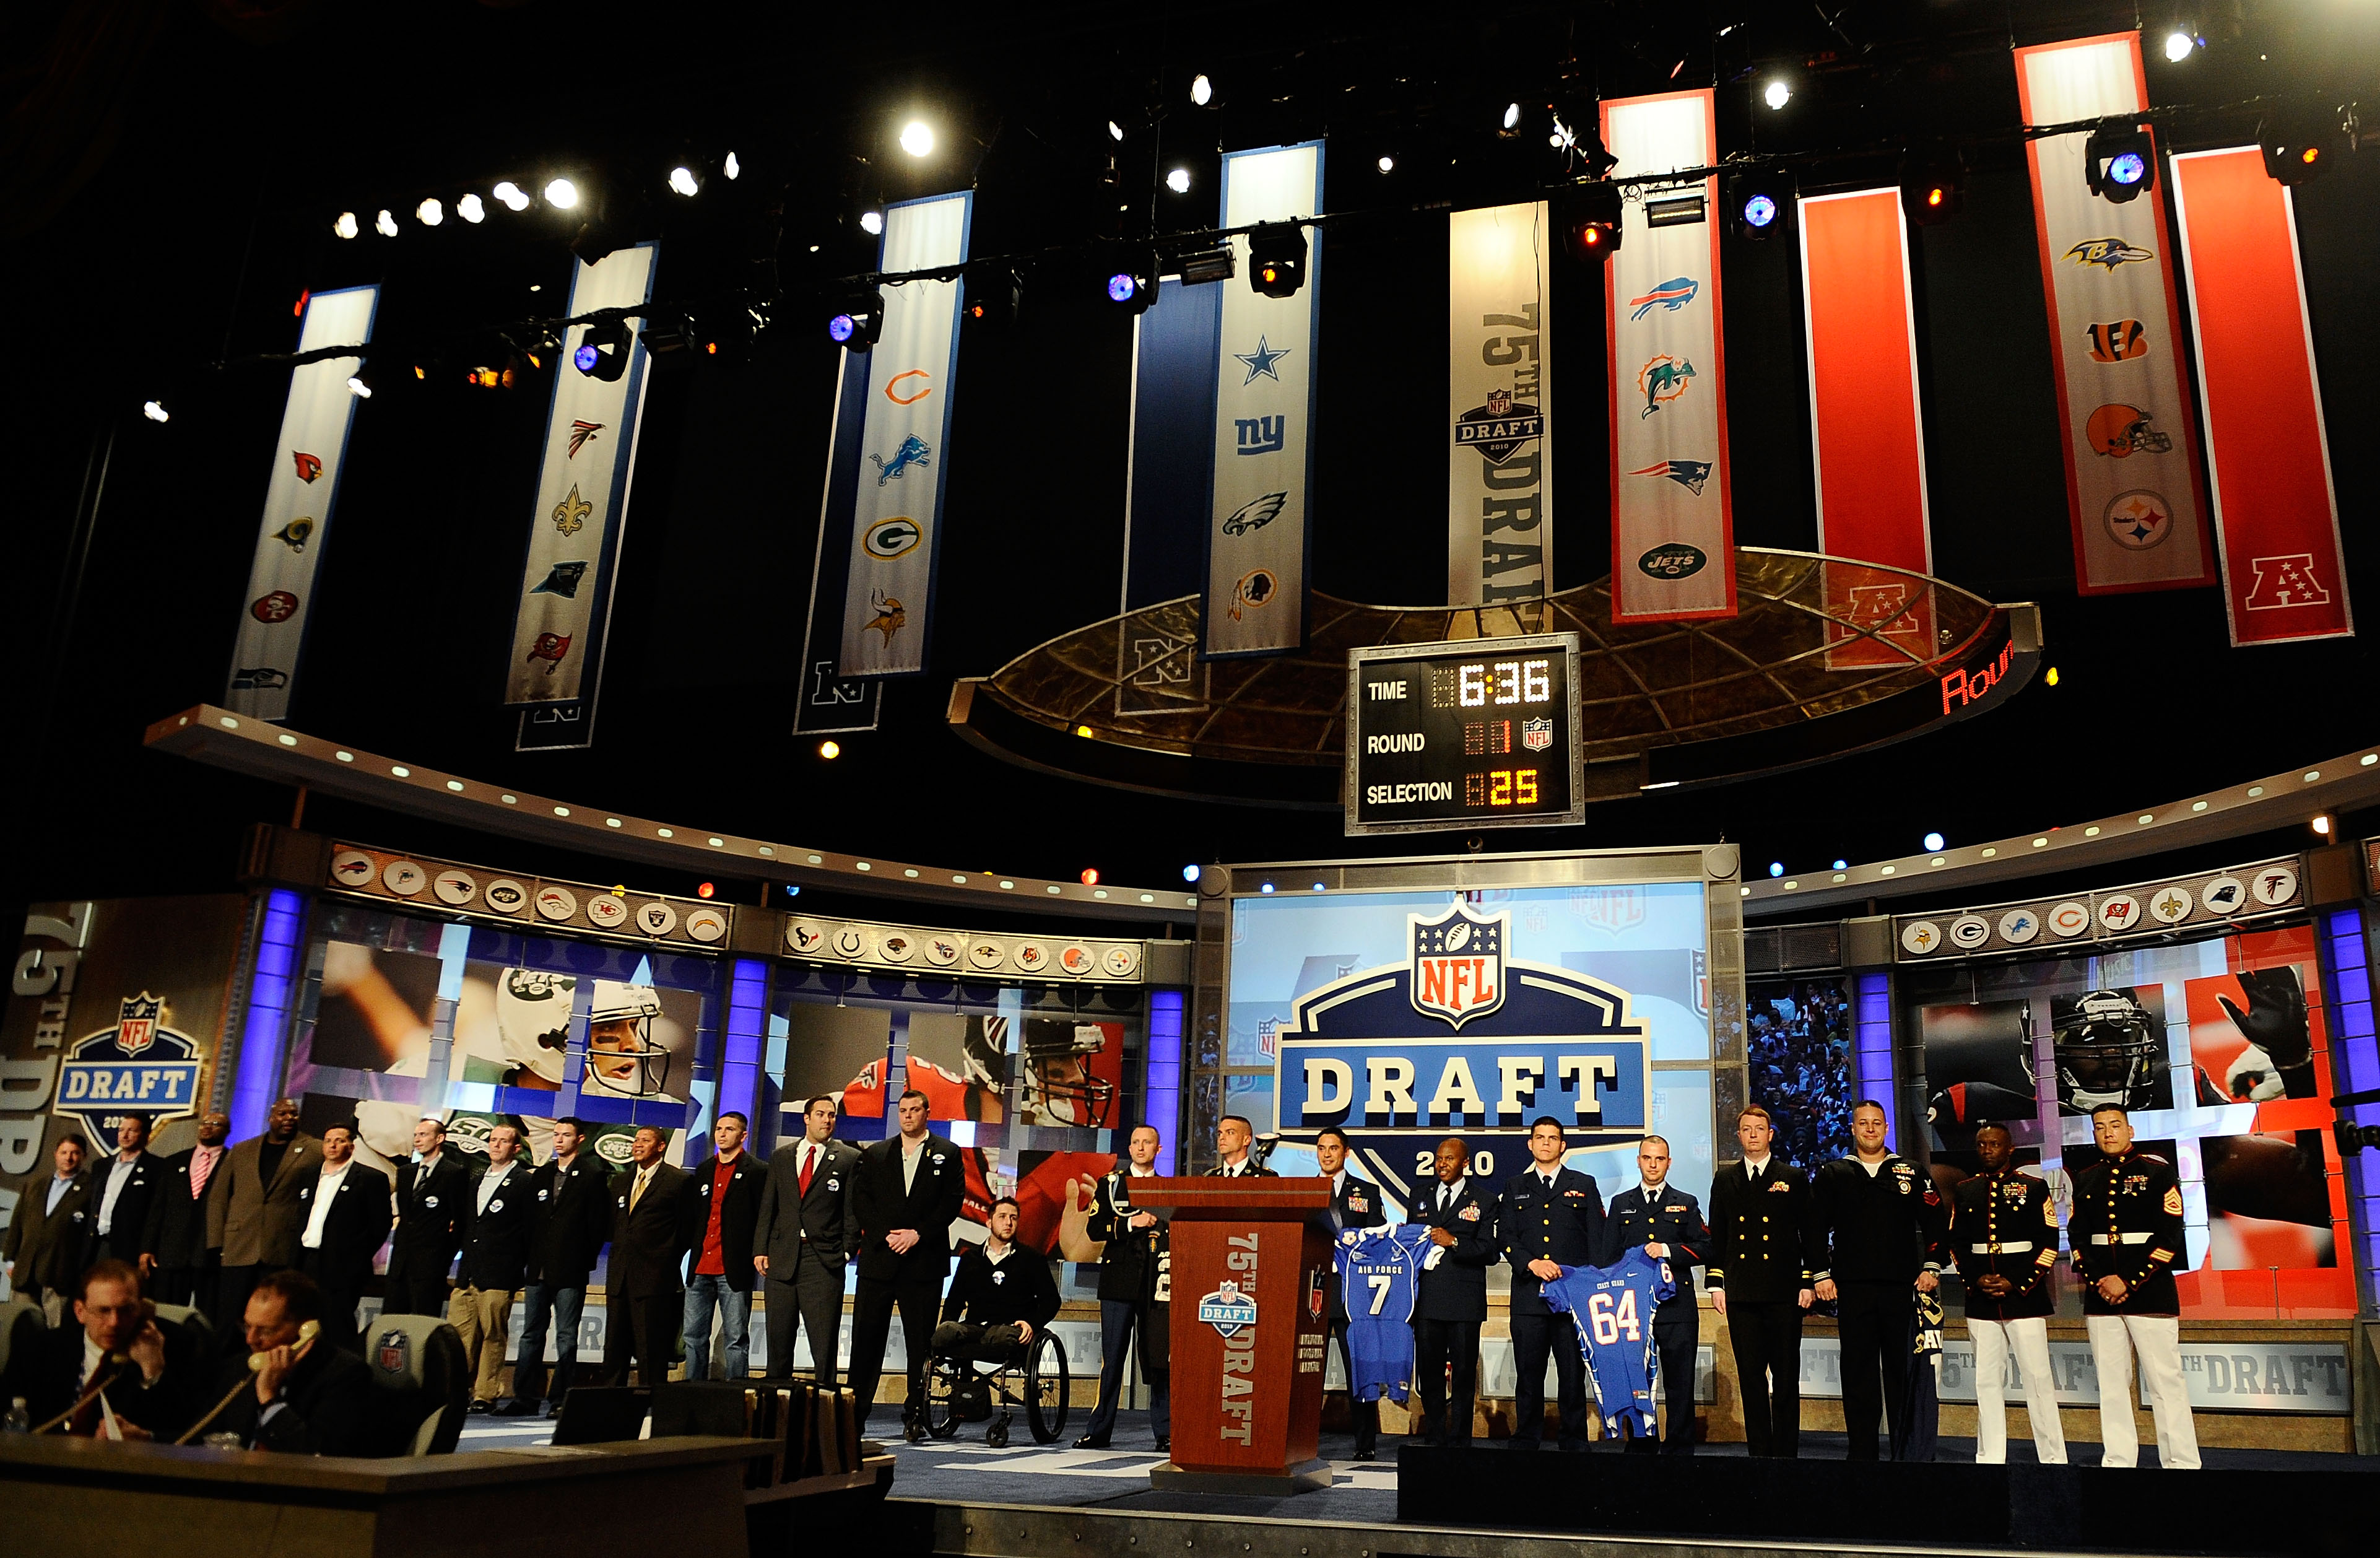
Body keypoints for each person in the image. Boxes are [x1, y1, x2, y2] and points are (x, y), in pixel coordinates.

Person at [1810, 1100, 1945, 1461]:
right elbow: (1813, 1229)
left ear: (1887, 1129)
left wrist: (1932, 1266)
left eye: (1877, 1123)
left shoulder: (1911, 1171)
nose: (1870, 1129)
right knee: (1858, 1376)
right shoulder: (1833, 1173)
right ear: (1853, 1129)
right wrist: (1821, 1274)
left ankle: (1905, 1456)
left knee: (1901, 1375)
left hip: (1902, 1290)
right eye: (1863, 1123)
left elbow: (1936, 1222)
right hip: (1852, 1291)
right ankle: (1862, 1457)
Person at [2074, 1103, 2199, 1469]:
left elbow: (2170, 1234)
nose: (2108, 1132)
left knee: (2165, 1382)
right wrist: (2101, 1280)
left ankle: (2181, 1463)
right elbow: (2078, 1237)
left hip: (2150, 1290)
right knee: (2111, 1385)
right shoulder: (2086, 1178)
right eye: (2100, 1127)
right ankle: (2118, 1460)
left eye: (2115, 1125)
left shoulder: (2157, 1171)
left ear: (2130, 1130)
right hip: (2101, 1297)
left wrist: (2127, 1280)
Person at [849, 1089, 966, 1434]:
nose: (908, 1116)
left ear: (927, 1113)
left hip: (923, 1264)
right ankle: (855, 1417)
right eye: (903, 1111)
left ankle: (915, 1414)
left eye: (915, 1110)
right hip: (879, 1262)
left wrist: (917, 1234)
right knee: (867, 1342)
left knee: (921, 1345)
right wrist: (885, 1234)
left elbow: (951, 1203)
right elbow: (861, 1200)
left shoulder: (947, 1152)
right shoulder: (876, 1154)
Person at [1950, 1122, 2065, 1465]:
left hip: (2025, 1298)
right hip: (1980, 1299)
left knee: (2038, 1380)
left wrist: (2017, 1281)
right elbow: (1957, 1245)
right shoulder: (1966, 1190)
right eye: (1982, 1144)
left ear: (2010, 1148)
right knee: (1985, 1382)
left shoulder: (2034, 1187)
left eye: (1995, 1144)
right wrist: (1975, 1280)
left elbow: (2048, 1243)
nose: (1987, 1150)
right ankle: (1990, 1458)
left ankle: (2053, 1458)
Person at [1707, 1103, 1816, 1458]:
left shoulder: (1793, 1177)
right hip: (1741, 1292)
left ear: (1771, 1135)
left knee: (1785, 1379)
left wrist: (1807, 1280)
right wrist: (1716, 1283)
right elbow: (1719, 1236)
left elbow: (1809, 1234)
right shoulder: (1725, 1179)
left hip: (1784, 1292)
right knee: (1751, 1379)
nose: (1753, 1135)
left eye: (1760, 1129)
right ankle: (1759, 1454)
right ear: (1738, 1136)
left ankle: (1786, 1454)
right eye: (1747, 1129)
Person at [1500, 1116, 1608, 1449]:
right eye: (1539, 1137)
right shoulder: (1515, 1186)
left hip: (1573, 1299)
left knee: (1573, 1375)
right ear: (1530, 1144)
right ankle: (1527, 1439)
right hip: (1529, 1298)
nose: (1546, 1143)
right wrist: (1531, 1263)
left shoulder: (1585, 1183)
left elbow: (1598, 1241)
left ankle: (1574, 1438)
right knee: (1529, 1376)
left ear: (1563, 1145)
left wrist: (1593, 1288)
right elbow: (1505, 1235)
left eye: (1553, 1138)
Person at [1, 1258, 194, 1438]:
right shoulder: (41, 1349)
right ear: (80, 1312)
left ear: (142, 1309)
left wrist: (154, 1369)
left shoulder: (174, 1347)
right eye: (103, 1311)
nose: (114, 1323)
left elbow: (195, 1433)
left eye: (126, 1310)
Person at [1608, 1134, 1709, 1455]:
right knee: (1638, 1382)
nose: (1653, 1165)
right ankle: (1640, 1442)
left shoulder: (1687, 1202)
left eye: (1660, 1159)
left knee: (1680, 1382)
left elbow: (1706, 1247)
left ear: (1669, 1162)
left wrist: (1668, 1249)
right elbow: (1607, 1257)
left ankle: (1680, 1446)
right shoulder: (1621, 1203)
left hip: (1677, 1306)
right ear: (1638, 1161)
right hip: (1633, 1311)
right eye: (1647, 1158)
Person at [504, 1116, 612, 1417]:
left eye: (566, 1135)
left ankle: (560, 1399)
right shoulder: (541, 1175)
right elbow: (528, 1223)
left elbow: (597, 1226)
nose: (559, 1139)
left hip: (570, 1270)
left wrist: (582, 1259)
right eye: (556, 1134)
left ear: (580, 1140)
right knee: (531, 1335)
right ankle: (525, 1398)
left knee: (566, 1336)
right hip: (537, 1269)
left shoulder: (592, 1175)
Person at [1077, 1124, 1171, 1450]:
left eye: (1148, 1142)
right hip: (1118, 1281)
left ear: (1159, 1149)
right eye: (1135, 1142)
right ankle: (1099, 1430)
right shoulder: (1111, 1183)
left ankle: (1165, 1432)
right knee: (1112, 1360)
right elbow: (1094, 1228)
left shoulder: (1168, 1188)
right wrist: (1132, 1222)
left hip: (1157, 1285)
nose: (1141, 1147)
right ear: (1129, 1148)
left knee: (1158, 1359)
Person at [756, 1094, 861, 1388]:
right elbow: (769, 1206)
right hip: (782, 1258)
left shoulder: (848, 1158)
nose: (827, 1120)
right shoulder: (782, 1156)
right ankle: (776, 1411)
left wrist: (847, 1250)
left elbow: (852, 1210)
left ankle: (824, 1411)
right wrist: (760, 1249)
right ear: (807, 1118)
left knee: (823, 1345)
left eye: (832, 1115)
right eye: (821, 1114)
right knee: (778, 1342)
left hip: (823, 1261)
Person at [210, 1269, 374, 1454]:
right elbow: (199, 1436)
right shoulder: (241, 1367)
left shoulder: (345, 1375)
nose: (251, 1340)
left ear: (305, 1330)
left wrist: (270, 1399)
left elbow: (319, 1454)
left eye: (266, 1331)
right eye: (247, 1327)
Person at [1412, 1136, 1497, 1448]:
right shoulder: (1418, 1195)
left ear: (1465, 1163)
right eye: (1438, 1158)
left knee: (1463, 1374)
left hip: (1464, 1301)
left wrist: (1455, 1242)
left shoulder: (1485, 1201)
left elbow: (1490, 1251)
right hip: (1428, 1300)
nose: (1442, 1164)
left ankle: (1461, 1438)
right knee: (1429, 1374)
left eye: (1449, 1159)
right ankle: (1434, 1436)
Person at [207, 1098, 320, 1328]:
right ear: (270, 1118)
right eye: (283, 1114)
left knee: (275, 1319)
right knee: (230, 1318)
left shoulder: (314, 1149)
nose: (289, 1118)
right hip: (239, 1246)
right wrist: (215, 1244)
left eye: (293, 1114)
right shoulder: (242, 1150)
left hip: (280, 1247)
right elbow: (219, 1198)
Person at [1314, 1125, 1388, 1458]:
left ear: (1346, 1153)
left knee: (1358, 1367)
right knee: (1306, 1370)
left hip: (1353, 1292)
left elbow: (1380, 1241)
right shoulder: (1303, 1189)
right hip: (1314, 1290)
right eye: (1321, 1148)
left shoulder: (1367, 1191)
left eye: (1333, 1148)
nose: (1327, 1154)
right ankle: (1301, 1441)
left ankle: (1365, 1444)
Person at [451, 1121, 534, 1410]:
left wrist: (515, 1267)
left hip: (499, 1274)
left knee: (492, 1336)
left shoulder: (524, 1182)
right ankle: (455, 1391)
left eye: (503, 1141)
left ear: (516, 1148)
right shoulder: (475, 1180)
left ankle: (485, 1394)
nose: (495, 1145)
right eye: (493, 1139)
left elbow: (529, 1231)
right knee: (459, 1338)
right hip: (467, 1274)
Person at [605, 1125, 693, 1388]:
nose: (637, 1145)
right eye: (636, 1140)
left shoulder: (677, 1182)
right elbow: (615, 1226)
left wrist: (665, 1257)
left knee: (650, 1346)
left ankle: (651, 1398)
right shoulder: (620, 1181)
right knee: (615, 1345)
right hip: (620, 1276)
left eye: (645, 1140)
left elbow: (687, 1229)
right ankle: (612, 1398)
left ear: (661, 1147)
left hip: (655, 1278)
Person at [293, 1122, 392, 1354]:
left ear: (352, 1145)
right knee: (303, 1319)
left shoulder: (370, 1178)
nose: (332, 1145)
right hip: (307, 1260)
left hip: (343, 1266)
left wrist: (357, 1254)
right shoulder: (309, 1175)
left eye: (339, 1140)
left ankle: (340, 1371)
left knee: (336, 1323)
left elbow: (381, 1224)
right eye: (328, 1140)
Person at [680, 1111, 763, 1382]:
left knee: (736, 1338)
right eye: (718, 1128)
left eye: (729, 1129)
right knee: (693, 1336)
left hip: (733, 1268)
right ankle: (693, 1393)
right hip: (700, 1267)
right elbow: (693, 1218)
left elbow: (763, 1218)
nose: (722, 1134)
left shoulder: (758, 1171)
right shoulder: (704, 1170)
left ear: (743, 1135)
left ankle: (736, 1396)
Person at [930, 1196, 1060, 1363]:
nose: (1009, 1223)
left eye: (1013, 1218)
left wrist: (1032, 1325)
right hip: (975, 1327)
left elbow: (1052, 1300)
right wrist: (946, 1328)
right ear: (989, 1222)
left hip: (1010, 1329)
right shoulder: (970, 1258)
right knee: (945, 1331)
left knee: (1004, 1336)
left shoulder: (1032, 1259)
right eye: (1002, 1217)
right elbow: (955, 1301)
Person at [141, 1109, 228, 1313]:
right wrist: (147, 1247)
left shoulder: (232, 1162)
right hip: (172, 1252)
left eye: (215, 1124)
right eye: (205, 1123)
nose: (207, 1127)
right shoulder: (174, 1162)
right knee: (166, 1313)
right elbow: (157, 1209)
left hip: (209, 1254)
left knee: (206, 1315)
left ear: (227, 1131)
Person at [3, 1134, 91, 1325]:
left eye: (75, 1153)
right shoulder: (35, 1185)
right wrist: (10, 1260)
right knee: (20, 1326)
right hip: (25, 1271)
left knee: (56, 1332)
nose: (69, 1158)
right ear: (55, 1155)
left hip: (60, 1274)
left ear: (84, 1156)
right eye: (64, 1152)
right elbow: (17, 1222)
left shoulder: (91, 1188)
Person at [386, 1116, 467, 1316]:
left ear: (440, 1138)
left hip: (430, 1266)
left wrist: (443, 1258)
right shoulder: (406, 1172)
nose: (417, 1140)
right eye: (415, 1135)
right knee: (392, 1323)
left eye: (423, 1135)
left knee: (422, 1323)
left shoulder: (454, 1173)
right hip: (400, 1263)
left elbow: (460, 1221)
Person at [84, 1115, 165, 1273]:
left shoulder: (157, 1168)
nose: (125, 1135)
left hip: (128, 1249)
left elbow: (156, 1214)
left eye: (132, 1130)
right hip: (96, 1246)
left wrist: (147, 1248)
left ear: (146, 1134)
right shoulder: (100, 1166)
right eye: (121, 1130)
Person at [1207, 1115, 1275, 1177]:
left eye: (1230, 1133)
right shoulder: (1209, 1177)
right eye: (1219, 1134)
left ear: (1246, 1140)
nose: (1222, 1138)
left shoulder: (1264, 1177)